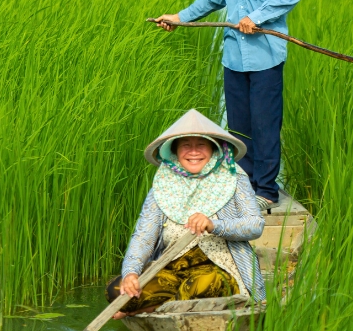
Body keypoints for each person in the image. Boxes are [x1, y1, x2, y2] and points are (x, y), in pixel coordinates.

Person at [155, 0, 302, 209]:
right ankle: (245, 187)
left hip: (265, 54)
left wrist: (257, 17)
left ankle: (266, 192)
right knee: (239, 127)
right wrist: (179, 18)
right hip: (234, 56)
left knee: (265, 124)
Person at [106, 109, 266, 318]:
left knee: (199, 286)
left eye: (201, 145)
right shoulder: (163, 184)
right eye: (186, 146)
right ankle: (151, 306)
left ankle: (145, 310)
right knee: (116, 290)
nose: (194, 152)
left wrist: (214, 225)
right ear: (175, 151)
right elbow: (143, 237)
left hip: (220, 268)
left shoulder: (233, 177)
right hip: (172, 267)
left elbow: (255, 225)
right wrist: (131, 273)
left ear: (212, 147)